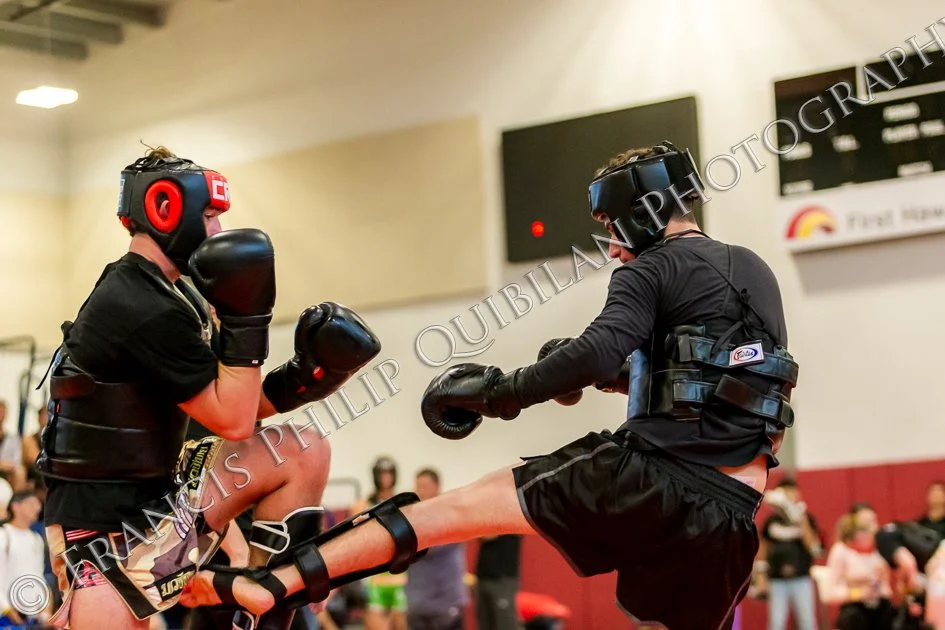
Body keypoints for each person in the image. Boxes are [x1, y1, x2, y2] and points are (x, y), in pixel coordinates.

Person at [179, 140, 799, 630]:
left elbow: (596, 352)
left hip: (653, 478)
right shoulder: (754, 270)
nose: (612, 247)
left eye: (612, 226)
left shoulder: (651, 268)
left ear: (641, 212)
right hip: (732, 512)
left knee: (448, 512)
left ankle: (273, 584)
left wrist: (499, 391)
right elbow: (722, 378)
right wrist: (615, 378)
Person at [36, 146, 382, 630]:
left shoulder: (180, 298)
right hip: (103, 530)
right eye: (209, 215)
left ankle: (272, 601)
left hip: (164, 503)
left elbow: (231, 405)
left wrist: (305, 380)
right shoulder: (135, 302)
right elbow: (234, 421)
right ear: (164, 208)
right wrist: (248, 319)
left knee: (303, 448)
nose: (217, 230)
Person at [404, 469, 468, 630]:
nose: (420, 491)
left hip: (445, 602)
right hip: (418, 602)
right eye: (418, 486)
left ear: (437, 486)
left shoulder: (450, 513)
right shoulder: (411, 516)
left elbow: (429, 546)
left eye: (424, 486)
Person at [754, 477, 823, 630]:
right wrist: (760, 575)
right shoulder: (771, 521)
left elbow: (812, 546)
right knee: (776, 622)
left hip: (801, 577)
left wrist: (800, 517)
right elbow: (764, 548)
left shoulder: (807, 519)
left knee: (807, 621)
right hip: (777, 578)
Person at [350, 457, 407, 630]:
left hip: (399, 577)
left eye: (389, 473)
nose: (386, 477)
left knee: (401, 625)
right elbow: (353, 540)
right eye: (382, 473)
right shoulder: (363, 505)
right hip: (373, 577)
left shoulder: (403, 502)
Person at [824, 511, 894, 630]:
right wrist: (858, 593)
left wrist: (880, 587)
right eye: (862, 532)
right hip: (854, 609)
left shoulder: (878, 552)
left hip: (879, 608)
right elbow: (830, 593)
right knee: (854, 618)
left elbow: (886, 589)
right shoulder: (841, 551)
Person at [0, 491, 48, 626]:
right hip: (6, 615)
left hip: (31, 617)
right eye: (32, 503)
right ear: (15, 506)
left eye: (38, 504)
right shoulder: (3, 535)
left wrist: (44, 607)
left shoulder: (36, 539)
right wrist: (6, 608)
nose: (37, 508)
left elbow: (38, 575)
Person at [475, 534, 521, 630]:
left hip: (503, 579)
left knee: (505, 625)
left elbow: (488, 536)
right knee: (484, 625)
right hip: (483, 576)